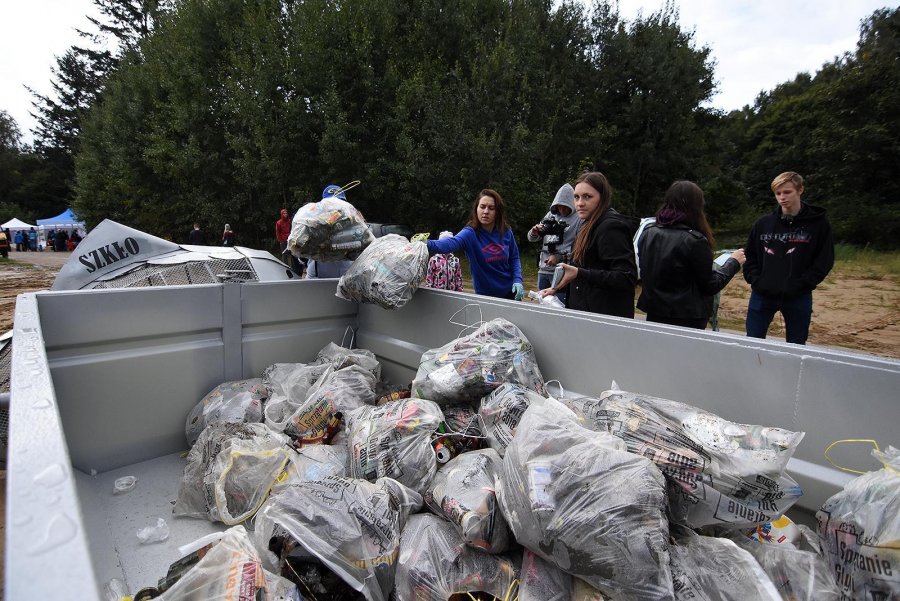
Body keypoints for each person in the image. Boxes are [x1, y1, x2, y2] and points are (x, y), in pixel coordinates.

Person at [637, 181, 746, 329]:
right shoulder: (695, 241)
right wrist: (733, 262)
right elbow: (710, 285)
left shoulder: (648, 232)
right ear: (697, 206)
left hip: (655, 311)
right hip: (687, 317)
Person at [743, 171, 834, 345]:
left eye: (787, 192)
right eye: (778, 193)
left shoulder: (818, 224)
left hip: (798, 295)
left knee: (796, 345)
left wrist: (804, 283)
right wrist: (756, 279)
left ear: (800, 190)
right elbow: (750, 255)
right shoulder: (764, 224)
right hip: (763, 293)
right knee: (752, 342)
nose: (782, 197)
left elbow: (824, 259)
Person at [541, 171, 637, 317]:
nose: (580, 203)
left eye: (587, 197)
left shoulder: (611, 227)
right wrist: (558, 288)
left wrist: (579, 273)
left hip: (604, 320)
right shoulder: (587, 224)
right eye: (576, 197)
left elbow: (625, 278)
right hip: (586, 316)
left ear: (602, 198)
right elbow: (585, 273)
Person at [426, 188, 524, 300]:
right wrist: (425, 243)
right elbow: (449, 244)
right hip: (485, 297)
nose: (486, 211)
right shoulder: (470, 233)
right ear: (476, 208)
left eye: (491, 208)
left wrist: (518, 280)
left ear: (497, 212)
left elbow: (514, 258)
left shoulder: (506, 231)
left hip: (510, 292)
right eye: (482, 207)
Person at [527, 183, 580, 304]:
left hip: (562, 272)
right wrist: (534, 232)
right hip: (544, 270)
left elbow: (579, 248)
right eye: (559, 206)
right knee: (544, 305)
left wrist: (559, 257)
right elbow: (531, 238)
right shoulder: (551, 215)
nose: (562, 210)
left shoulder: (578, 219)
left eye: (565, 207)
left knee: (559, 306)